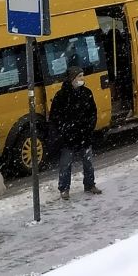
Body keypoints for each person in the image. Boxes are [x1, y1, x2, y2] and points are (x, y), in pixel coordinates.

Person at [49, 66, 102, 199]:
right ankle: (64, 188)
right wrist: (64, 131)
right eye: (79, 76)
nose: (82, 79)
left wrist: (89, 127)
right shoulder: (61, 96)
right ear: (72, 78)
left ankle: (90, 184)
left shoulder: (86, 93)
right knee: (65, 164)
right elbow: (55, 117)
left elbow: (92, 112)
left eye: (82, 76)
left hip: (84, 134)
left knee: (88, 162)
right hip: (68, 137)